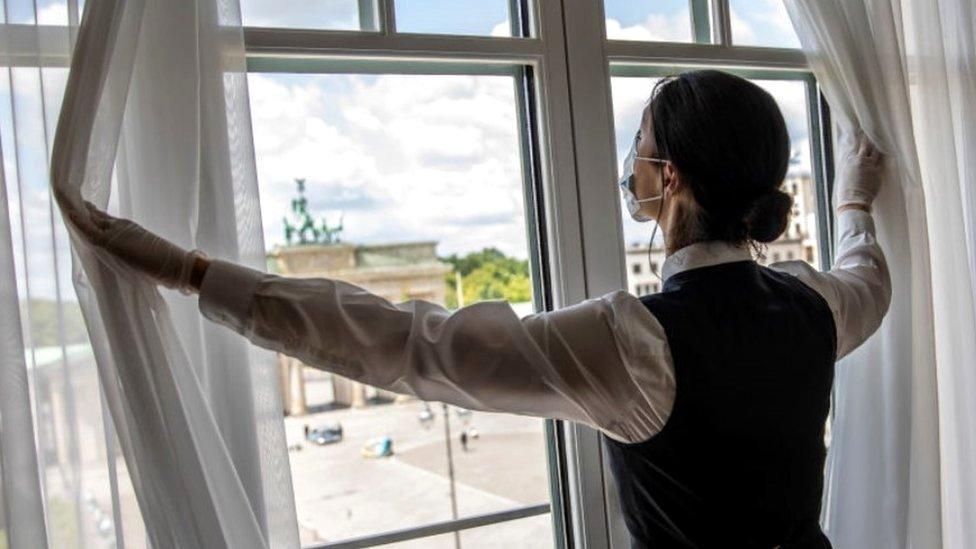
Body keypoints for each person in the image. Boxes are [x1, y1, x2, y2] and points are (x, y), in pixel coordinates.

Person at [71, 70, 888, 548]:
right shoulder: (814, 303)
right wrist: (854, 203)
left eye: (637, 142)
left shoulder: (634, 341)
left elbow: (408, 346)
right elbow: (870, 278)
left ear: (667, 177)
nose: (626, 160)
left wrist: (191, 271)